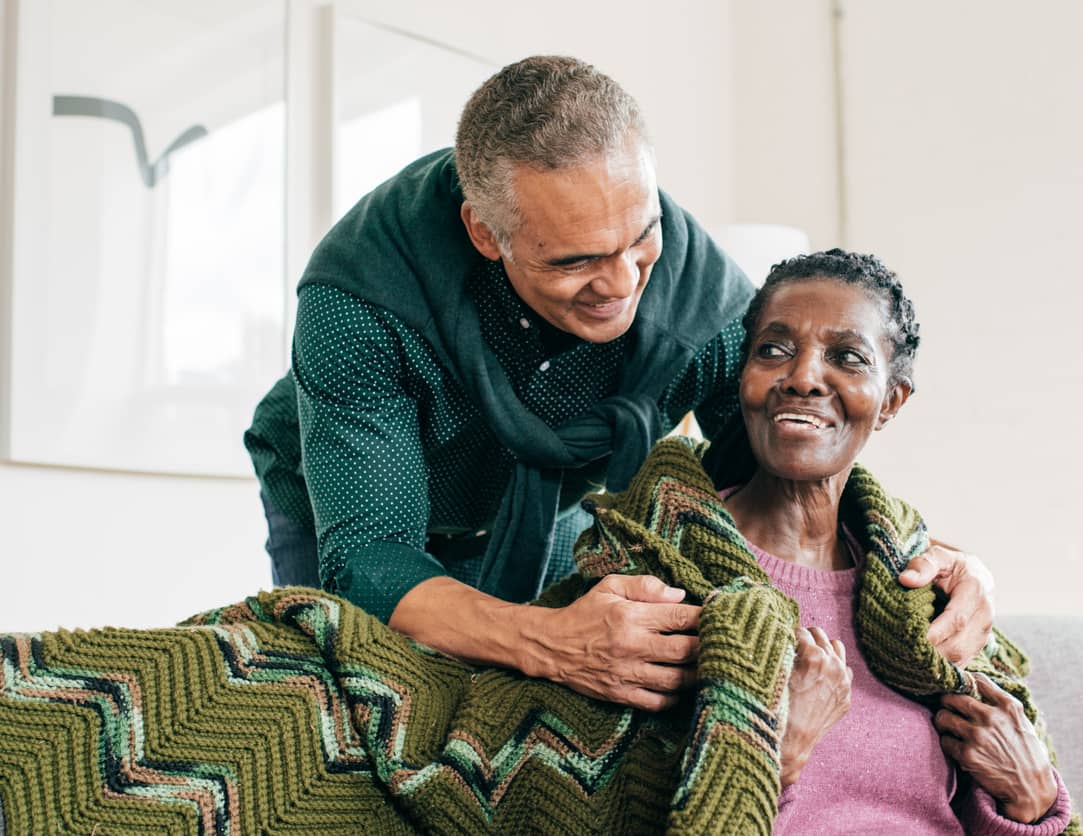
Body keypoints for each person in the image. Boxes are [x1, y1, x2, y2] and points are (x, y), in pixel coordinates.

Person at [243, 55, 996, 712]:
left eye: (640, 238)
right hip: (352, 517)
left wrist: (939, 563)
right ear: (484, 232)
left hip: (548, 505)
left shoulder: (708, 307)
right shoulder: (360, 298)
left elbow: (778, 491)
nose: (620, 284)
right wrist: (545, 639)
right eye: (574, 261)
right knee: (362, 713)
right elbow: (371, 556)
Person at [681, 248, 1076, 833]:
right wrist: (774, 753)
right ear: (744, 376)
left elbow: (1005, 797)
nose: (804, 377)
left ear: (891, 401)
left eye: (847, 357)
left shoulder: (925, 597)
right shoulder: (662, 579)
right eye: (774, 350)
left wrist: (1034, 797)